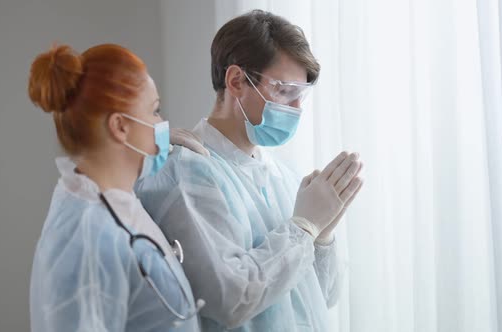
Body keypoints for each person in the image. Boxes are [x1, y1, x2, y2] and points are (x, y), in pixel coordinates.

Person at [136, 10, 364, 331]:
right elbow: (229, 299)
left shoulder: (281, 175)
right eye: (285, 91)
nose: (296, 109)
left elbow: (320, 296)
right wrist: (302, 229)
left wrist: (322, 235)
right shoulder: (187, 172)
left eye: (301, 95)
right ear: (237, 81)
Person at [28, 43, 206, 331]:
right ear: (120, 126)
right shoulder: (90, 237)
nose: (161, 124)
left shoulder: (106, 198)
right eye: (155, 111)